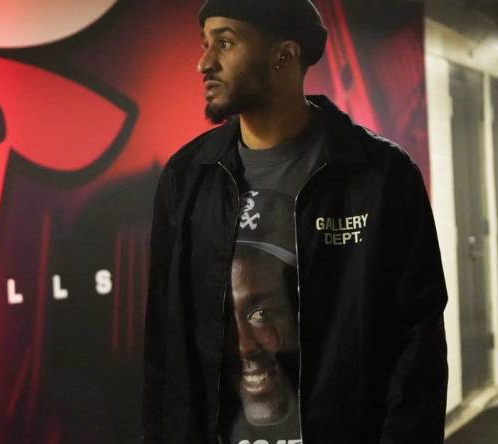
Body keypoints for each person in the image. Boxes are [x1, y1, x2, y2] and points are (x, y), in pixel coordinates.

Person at [142, 1, 449, 443]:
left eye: (225, 43)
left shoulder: (380, 176)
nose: (204, 62)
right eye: (206, 44)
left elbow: (417, 346)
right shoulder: (187, 176)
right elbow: (164, 344)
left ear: (283, 55)